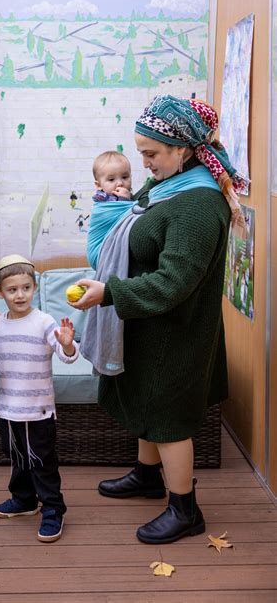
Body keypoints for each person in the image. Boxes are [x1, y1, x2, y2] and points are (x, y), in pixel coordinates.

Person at [71, 95, 247, 544]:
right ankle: (147, 477)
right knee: (146, 404)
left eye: (151, 153)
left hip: (176, 330)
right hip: (148, 325)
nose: (143, 163)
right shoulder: (168, 184)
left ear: (183, 149)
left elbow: (174, 283)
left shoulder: (198, 205)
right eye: (141, 151)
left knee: (168, 418)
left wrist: (109, 291)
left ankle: (185, 509)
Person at [0, 254, 79, 543]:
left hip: (38, 410)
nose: (20, 295)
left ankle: (54, 509)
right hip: (8, 408)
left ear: (34, 287)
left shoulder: (44, 322)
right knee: (17, 458)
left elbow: (65, 355)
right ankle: (24, 500)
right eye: (12, 290)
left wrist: (68, 345)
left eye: (26, 288)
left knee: (42, 462)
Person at [87, 150, 133, 270]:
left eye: (125, 177)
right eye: (111, 180)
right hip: (99, 252)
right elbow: (126, 214)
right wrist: (124, 200)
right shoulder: (104, 202)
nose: (120, 183)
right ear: (99, 185)